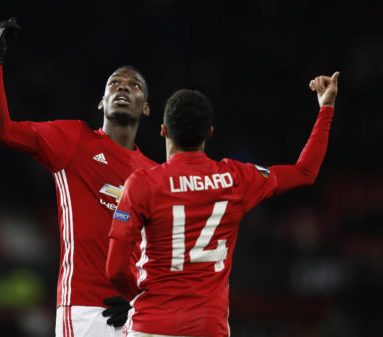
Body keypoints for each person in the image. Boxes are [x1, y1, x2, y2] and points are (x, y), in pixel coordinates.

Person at [106, 72, 340, 337]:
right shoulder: (235, 178)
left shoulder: (142, 184)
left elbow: (115, 269)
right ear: (209, 132)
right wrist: (326, 109)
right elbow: (305, 171)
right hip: (208, 328)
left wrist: (135, 298)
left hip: (151, 325)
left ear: (163, 130)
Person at [0, 18, 157, 337]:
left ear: (145, 108)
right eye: (114, 83)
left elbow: (160, 253)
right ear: (102, 102)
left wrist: (145, 301)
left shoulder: (153, 173)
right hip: (86, 311)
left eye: (134, 85)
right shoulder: (74, 140)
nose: (122, 87)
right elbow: (0, 131)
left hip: (138, 314)